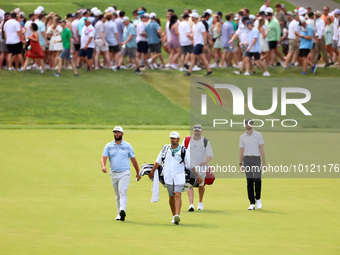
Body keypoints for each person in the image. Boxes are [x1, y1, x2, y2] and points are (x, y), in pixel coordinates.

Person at [148, 131, 202, 225]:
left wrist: (198, 176)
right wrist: (152, 171)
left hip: (179, 176)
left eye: (174, 138)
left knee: (178, 194)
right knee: (171, 196)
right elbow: (158, 161)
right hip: (168, 176)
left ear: (178, 139)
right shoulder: (165, 149)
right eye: (171, 138)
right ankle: (173, 216)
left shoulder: (183, 150)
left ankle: (177, 215)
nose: (172, 140)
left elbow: (190, 164)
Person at [101, 126, 141, 221]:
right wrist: (103, 166)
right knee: (117, 194)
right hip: (114, 173)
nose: (116, 134)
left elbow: (133, 160)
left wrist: (137, 172)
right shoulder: (108, 145)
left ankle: (122, 210)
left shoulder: (128, 146)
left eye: (118, 132)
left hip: (125, 172)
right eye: (115, 132)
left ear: (122, 134)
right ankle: (119, 213)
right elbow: (103, 157)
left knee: (122, 192)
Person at [183, 125, 213, 212]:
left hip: (201, 167)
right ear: (193, 131)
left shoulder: (205, 141)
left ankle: (200, 202)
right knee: (189, 184)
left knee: (201, 184)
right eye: (195, 131)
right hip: (190, 166)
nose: (197, 132)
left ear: (201, 132)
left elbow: (210, 154)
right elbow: (183, 151)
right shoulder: (187, 139)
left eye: (198, 131)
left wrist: (205, 162)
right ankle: (191, 204)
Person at [239, 119, 266, 210]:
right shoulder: (242, 136)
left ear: (253, 125)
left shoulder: (258, 135)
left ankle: (258, 199)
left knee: (257, 180)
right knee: (249, 181)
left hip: (256, 159)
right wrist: (240, 163)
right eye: (246, 123)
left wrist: (264, 161)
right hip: (247, 160)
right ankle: (252, 203)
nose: (248, 125)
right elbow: (241, 150)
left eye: (249, 123)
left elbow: (261, 148)